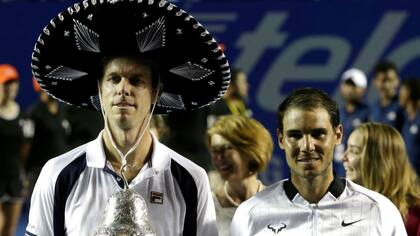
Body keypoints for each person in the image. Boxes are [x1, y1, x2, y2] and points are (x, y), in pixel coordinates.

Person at [25, 1, 230, 235]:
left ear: (155, 92)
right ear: (100, 90)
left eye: (136, 80)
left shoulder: (192, 179)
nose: (123, 89)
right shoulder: (57, 174)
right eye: (113, 79)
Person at [231, 88, 407, 235]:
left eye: (317, 134)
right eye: (295, 135)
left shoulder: (379, 210)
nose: (307, 146)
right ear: (281, 139)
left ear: (337, 135)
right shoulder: (250, 215)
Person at [342, 123, 420, 235]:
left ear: (380, 162)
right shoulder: (344, 206)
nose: (343, 157)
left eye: (354, 151)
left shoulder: (415, 219)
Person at [206, 115, 273, 236]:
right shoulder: (207, 207)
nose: (219, 158)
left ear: (250, 150)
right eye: (214, 150)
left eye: (227, 148)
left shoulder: (277, 202)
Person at [25, 78, 71, 199]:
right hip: (40, 173)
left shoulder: (65, 111)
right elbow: (26, 146)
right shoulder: (33, 114)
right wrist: (25, 174)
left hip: (63, 171)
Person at [0, 64, 29, 236]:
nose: (11, 87)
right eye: (6, 83)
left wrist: (23, 175)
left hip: (14, 179)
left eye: (14, 82)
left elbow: (25, 150)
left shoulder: (22, 117)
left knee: (9, 231)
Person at [335, 68, 369, 177]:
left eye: (354, 86)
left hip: (360, 172)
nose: (350, 89)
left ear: (363, 89)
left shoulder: (370, 114)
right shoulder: (336, 114)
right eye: (347, 84)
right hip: (338, 171)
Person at [370, 61, 405, 131]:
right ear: (375, 82)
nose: (387, 85)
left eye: (390, 80)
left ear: (397, 81)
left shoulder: (404, 107)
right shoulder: (372, 109)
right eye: (383, 80)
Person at [399, 79, 420, 175]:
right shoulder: (405, 120)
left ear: (409, 93)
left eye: (402, 91)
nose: (399, 95)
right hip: (408, 178)